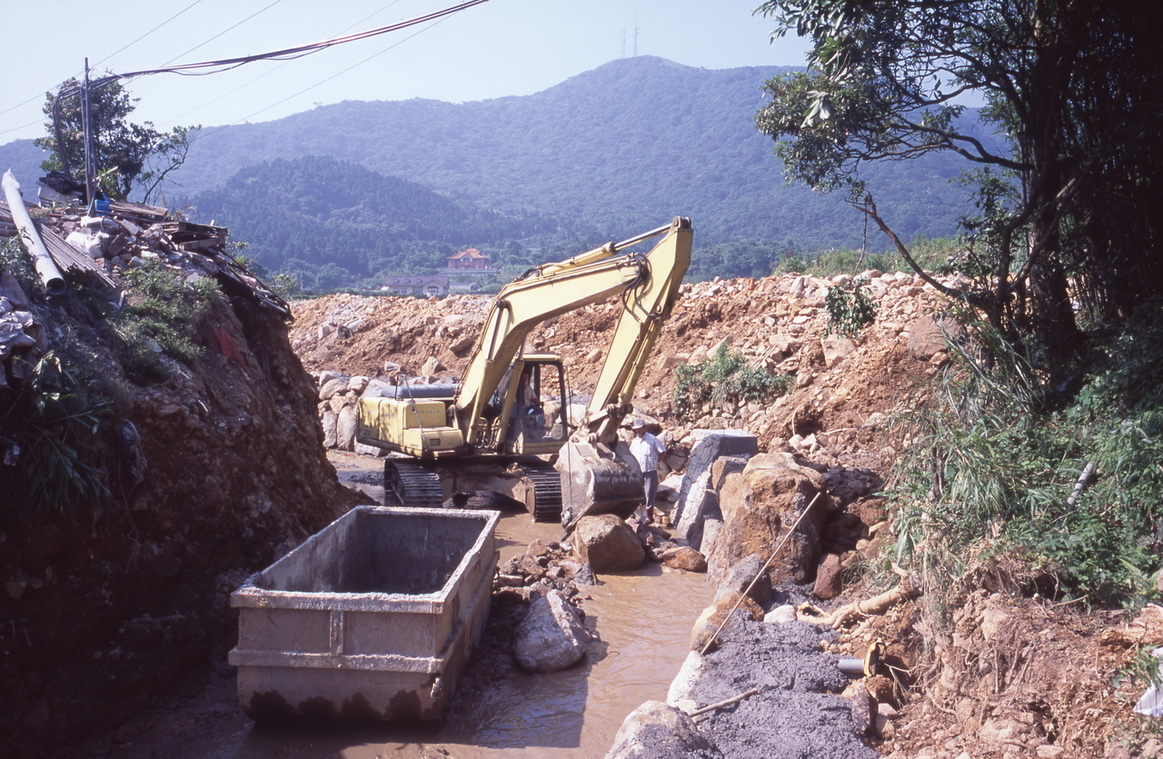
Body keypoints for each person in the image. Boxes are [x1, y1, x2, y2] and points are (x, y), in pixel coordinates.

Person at [629, 417, 667, 523]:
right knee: (637, 494)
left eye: (640, 428)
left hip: (650, 471)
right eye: (636, 429)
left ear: (644, 427)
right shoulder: (634, 442)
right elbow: (631, 455)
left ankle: (649, 517)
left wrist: (657, 462)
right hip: (637, 472)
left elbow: (663, 451)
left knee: (649, 494)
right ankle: (639, 516)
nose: (638, 431)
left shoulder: (652, 439)